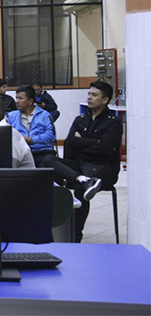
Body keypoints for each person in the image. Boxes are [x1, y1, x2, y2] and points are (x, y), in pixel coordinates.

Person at [41, 81, 122, 242]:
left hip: (103, 167)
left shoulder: (113, 122)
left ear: (105, 100)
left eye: (94, 95)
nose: (89, 98)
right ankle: (79, 178)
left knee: (80, 188)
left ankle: (75, 237)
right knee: (48, 160)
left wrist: (82, 142)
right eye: (89, 94)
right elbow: (70, 143)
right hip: (81, 166)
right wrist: (94, 142)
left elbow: (105, 149)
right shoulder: (81, 119)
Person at [7, 84, 56, 166]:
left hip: (42, 152)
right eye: (16, 98)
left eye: (20, 98)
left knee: (45, 166)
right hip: (20, 153)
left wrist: (31, 140)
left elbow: (51, 135)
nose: (17, 101)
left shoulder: (44, 115)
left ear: (30, 101)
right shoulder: (11, 116)